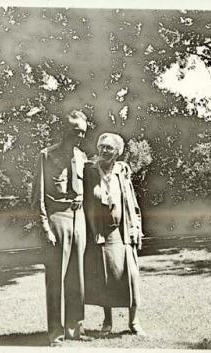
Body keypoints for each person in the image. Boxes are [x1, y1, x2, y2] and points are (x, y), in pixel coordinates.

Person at [31, 109, 93, 346]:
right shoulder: (46, 156)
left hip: (79, 220)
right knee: (56, 279)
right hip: (57, 219)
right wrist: (44, 226)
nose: (80, 136)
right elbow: (37, 195)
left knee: (77, 277)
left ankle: (75, 329)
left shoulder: (82, 156)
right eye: (76, 131)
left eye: (83, 133)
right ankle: (55, 332)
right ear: (64, 131)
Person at [83, 132, 146, 336]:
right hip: (102, 232)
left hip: (123, 231)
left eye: (109, 147)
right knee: (105, 277)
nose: (104, 150)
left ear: (118, 152)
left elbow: (132, 202)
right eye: (101, 146)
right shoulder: (90, 171)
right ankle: (107, 322)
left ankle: (134, 322)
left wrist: (136, 227)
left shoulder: (122, 172)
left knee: (132, 276)